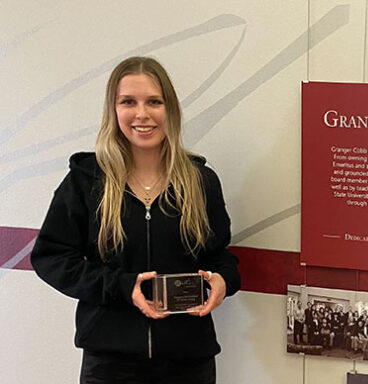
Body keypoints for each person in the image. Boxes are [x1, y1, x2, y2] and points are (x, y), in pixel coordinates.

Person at [30, 56, 241, 383]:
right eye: (128, 102)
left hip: (188, 361)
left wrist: (224, 281)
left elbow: (219, 256)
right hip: (110, 364)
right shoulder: (87, 181)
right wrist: (122, 287)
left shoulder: (201, 181)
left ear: (170, 109)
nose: (142, 114)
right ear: (113, 110)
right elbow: (52, 257)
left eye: (154, 102)